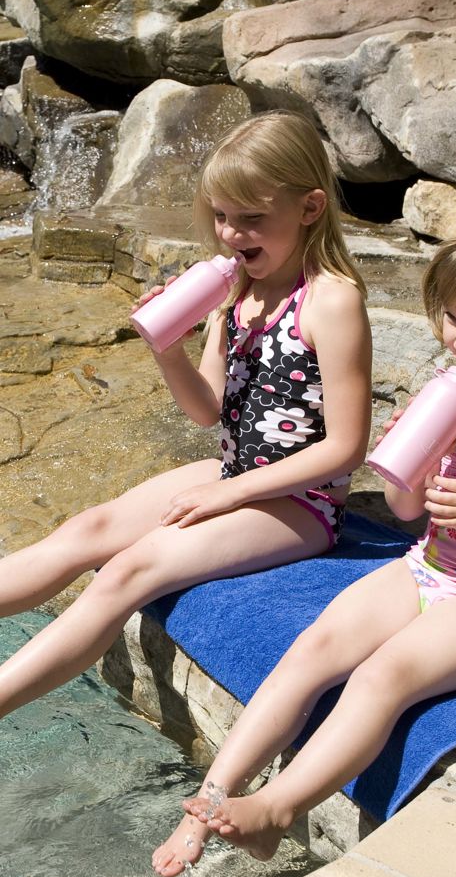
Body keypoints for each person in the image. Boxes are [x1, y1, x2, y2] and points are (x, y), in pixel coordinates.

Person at [153, 214, 456, 877]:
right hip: (429, 566)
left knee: (384, 676)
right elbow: (410, 511)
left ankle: (277, 809)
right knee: (314, 648)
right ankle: (209, 798)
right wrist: (414, 464)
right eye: (455, 320)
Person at [0, 110, 372, 725]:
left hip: (301, 504)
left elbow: (346, 448)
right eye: (222, 216)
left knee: (127, 572)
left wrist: (229, 496)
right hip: (231, 469)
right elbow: (207, 409)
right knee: (85, 533)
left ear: (309, 209)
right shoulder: (238, 290)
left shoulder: (331, 300)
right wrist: (168, 347)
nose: (230, 233)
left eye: (252, 219)